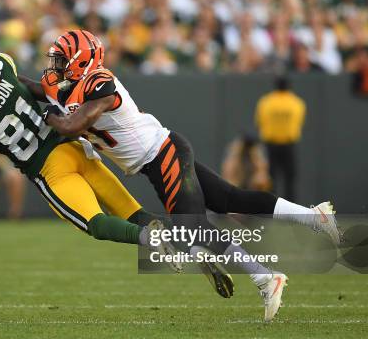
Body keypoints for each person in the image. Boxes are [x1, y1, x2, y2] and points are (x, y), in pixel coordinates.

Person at [30, 29, 340, 321]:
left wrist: (49, 114)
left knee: (193, 228)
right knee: (227, 199)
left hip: (162, 154)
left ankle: (265, 277)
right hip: (157, 159)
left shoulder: (101, 83)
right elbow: (37, 92)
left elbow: (72, 125)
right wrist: (1, 75)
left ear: (81, 60)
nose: (54, 66)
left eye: (60, 60)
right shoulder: (72, 89)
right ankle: (314, 218)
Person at [0, 31, 190, 276]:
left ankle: (150, 240)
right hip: (75, 150)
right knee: (135, 214)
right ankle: (194, 252)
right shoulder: (4, 71)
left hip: (51, 171)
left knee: (96, 224)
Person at [255, 76, 306, 201]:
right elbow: (299, 122)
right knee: (290, 179)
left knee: (270, 180)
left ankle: (271, 208)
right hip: (289, 144)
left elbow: (259, 122)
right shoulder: (297, 102)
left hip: (271, 144)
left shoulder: (265, 102)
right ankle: (291, 209)